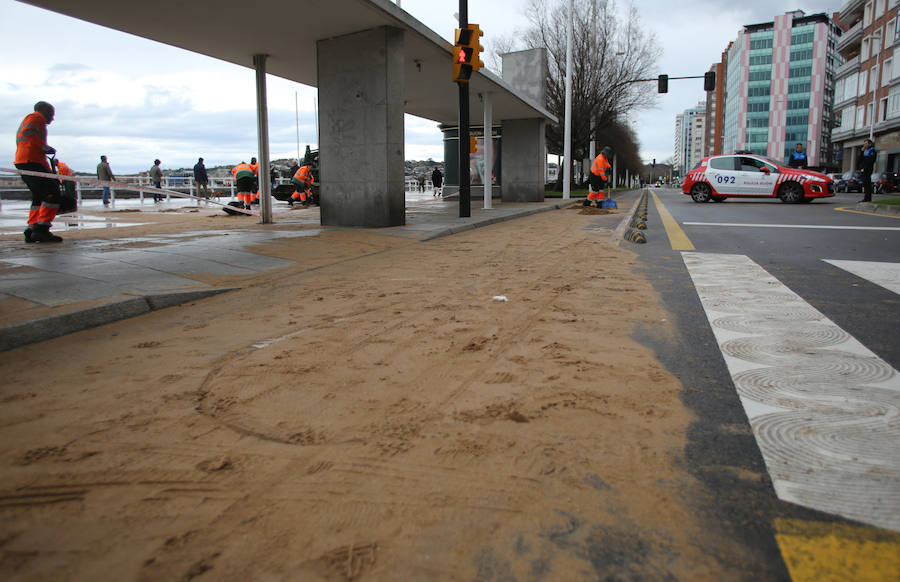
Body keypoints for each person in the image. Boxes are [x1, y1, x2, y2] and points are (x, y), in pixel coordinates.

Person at [14, 101, 63, 242]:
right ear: (43, 110)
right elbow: (28, 135)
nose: (52, 118)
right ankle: (42, 229)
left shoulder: (31, 119)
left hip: (25, 161)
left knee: (38, 196)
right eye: (51, 114)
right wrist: (44, 147)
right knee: (52, 194)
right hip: (31, 161)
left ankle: (32, 228)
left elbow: (27, 137)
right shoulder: (36, 118)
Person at [859, 138, 877, 203]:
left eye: (866, 143)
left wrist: (865, 168)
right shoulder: (865, 151)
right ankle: (866, 198)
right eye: (864, 143)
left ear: (870, 144)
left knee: (867, 184)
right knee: (865, 184)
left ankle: (868, 198)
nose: (865, 145)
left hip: (867, 169)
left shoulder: (872, 151)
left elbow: (871, 161)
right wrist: (861, 151)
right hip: (863, 169)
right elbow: (860, 160)